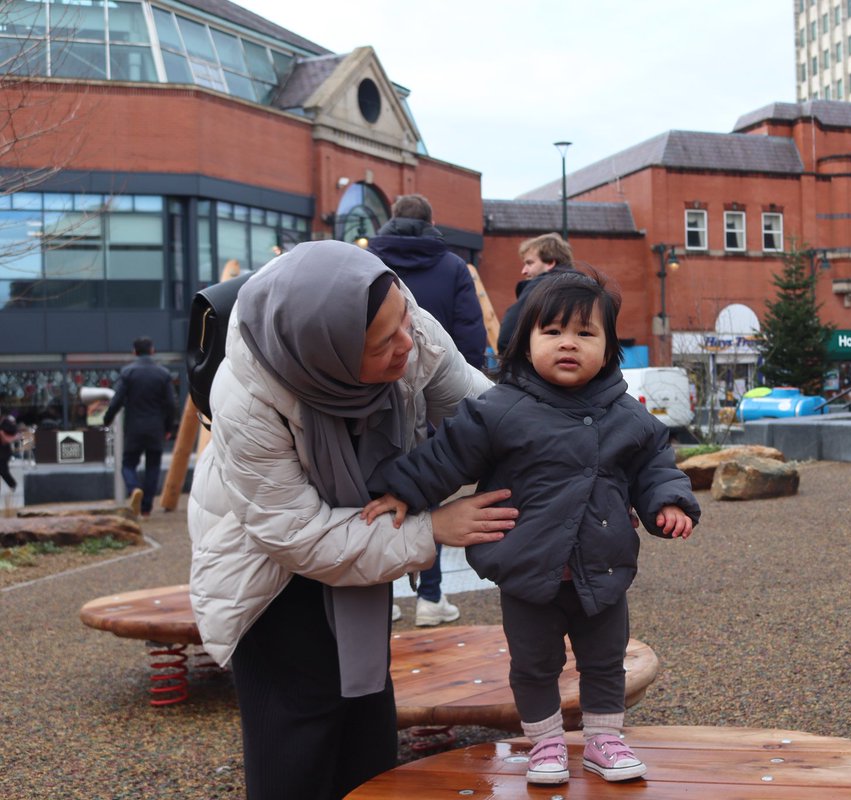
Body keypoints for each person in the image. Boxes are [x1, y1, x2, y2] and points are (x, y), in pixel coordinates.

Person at [187, 240, 518, 800]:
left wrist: (591, 454)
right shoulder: (245, 397)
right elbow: (300, 536)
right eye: (383, 343)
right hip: (270, 576)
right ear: (330, 354)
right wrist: (432, 528)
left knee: (366, 724)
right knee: (298, 737)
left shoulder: (401, 318)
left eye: (404, 324)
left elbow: (491, 418)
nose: (406, 345)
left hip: (364, 534)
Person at [363, 268, 700, 786]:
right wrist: (403, 490)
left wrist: (668, 501)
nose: (569, 344)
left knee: (605, 660)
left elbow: (655, 461)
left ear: (609, 349)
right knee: (534, 664)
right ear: (527, 341)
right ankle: (544, 743)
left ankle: (604, 739)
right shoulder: (501, 409)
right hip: (529, 570)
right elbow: (447, 456)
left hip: (602, 567)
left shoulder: (625, 414)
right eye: (553, 332)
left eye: (586, 334)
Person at [368, 193, 489, 626]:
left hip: (374, 390)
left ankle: (376, 601)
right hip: (435, 383)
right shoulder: (453, 266)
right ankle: (430, 598)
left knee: (370, 497)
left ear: (392, 220)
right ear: (431, 220)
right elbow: (470, 334)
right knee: (424, 491)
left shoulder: (368, 262)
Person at [103, 336, 177, 517]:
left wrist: (107, 419)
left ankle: (134, 488)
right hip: (156, 429)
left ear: (134, 352)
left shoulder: (128, 373)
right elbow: (171, 404)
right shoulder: (163, 374)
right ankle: (145, 509)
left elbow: (117, 400)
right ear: (152, 351)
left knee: (128, 464)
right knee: (153, 467)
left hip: (134, 429)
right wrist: (169, 427)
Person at [496, 232, 574, 352]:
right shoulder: (590, 287)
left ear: (550, 263)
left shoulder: (539, 287)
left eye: (529, 263)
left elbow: (507, 338)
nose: (524, 271)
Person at [0, 416, 19, 501]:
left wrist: (3, 434)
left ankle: (12, 484)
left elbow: (8, 438)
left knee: (3, 470)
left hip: (4, 452)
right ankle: (12, 484)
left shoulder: (6, 422)